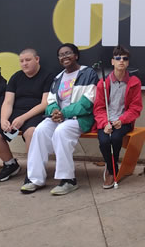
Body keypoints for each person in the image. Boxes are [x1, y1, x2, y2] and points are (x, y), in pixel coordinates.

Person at [20, 43, 98, 195]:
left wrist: (64, 113)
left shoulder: (88, 73)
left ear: (76, 55)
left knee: (61, 132)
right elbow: (50, 101)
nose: (64, 57)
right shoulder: (58, 78)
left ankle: (68, 180)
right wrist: (54, 111)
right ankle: (35, 178)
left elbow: (88, 102)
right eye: (61, 55)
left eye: (68, 53)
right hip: (58, 117)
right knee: (40, 131)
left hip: (79, 118)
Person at [0, 48, 53, 183]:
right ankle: (10, 164)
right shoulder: (16, 77)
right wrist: (4, 119)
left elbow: (45, 103)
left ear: (37, 59)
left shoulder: (48, 76)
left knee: (31, 133)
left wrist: (23, 118)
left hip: (35, 113)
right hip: (15, 112)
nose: (24, 64)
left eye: (28, 60)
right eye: (21, 61)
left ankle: (33, 171)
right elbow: (8, 102)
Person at [94, 45, 143, 189]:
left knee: (116, 138)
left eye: (125, 58)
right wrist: (104, 123)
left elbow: (136, 108)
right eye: (118, 58)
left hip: (124, 121)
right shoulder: (103, 83)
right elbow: (99, 108)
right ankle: (112, 166)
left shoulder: (134, 82)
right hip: (106, 121)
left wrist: (121, 120)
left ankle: (111, 171)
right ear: (112, 61)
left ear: (128, 62)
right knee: (104, 141)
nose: (121, 61)